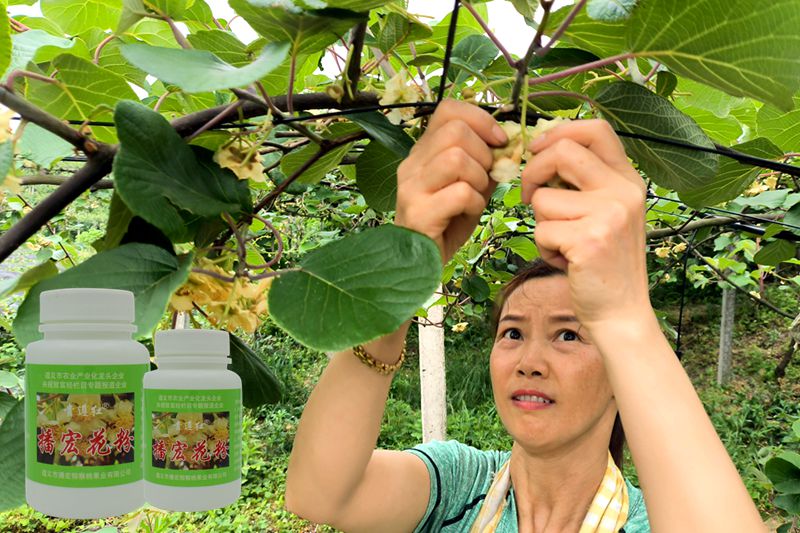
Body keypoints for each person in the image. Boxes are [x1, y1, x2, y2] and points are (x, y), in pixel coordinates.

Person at [283, 100, 766, 532]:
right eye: (512, 332)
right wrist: (393, 284)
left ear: (623, 374)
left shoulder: (650, 521)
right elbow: (321, 497)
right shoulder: (458, 487)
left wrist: (623, 315)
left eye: (569, 336)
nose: (529, 361)